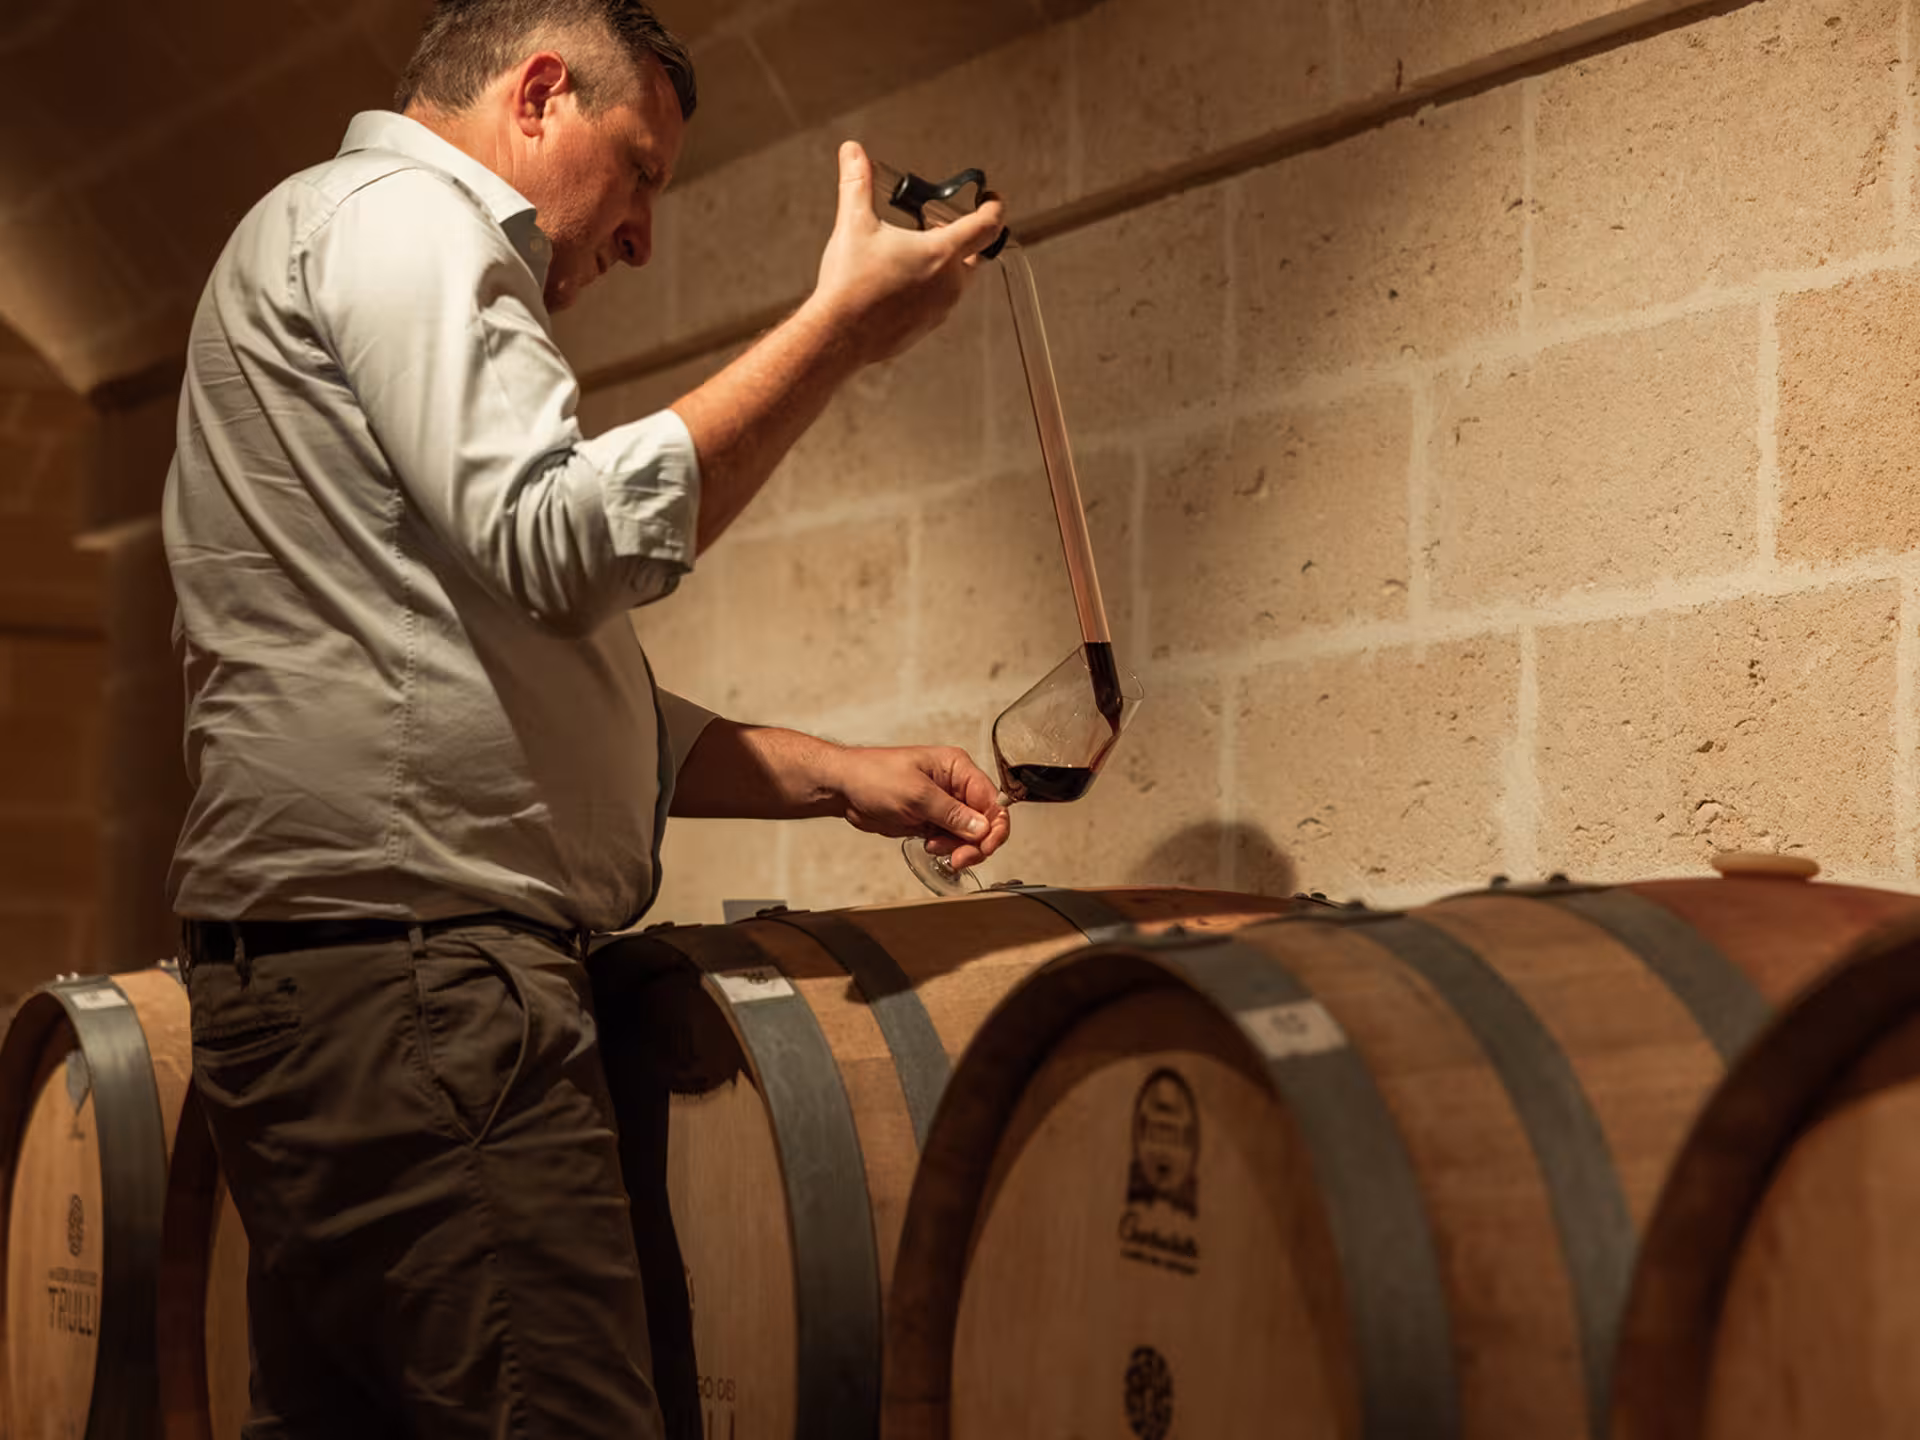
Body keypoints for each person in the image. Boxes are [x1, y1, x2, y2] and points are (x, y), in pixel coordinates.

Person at [161, 1, 1011, 1434]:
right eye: (643, 172)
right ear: (540, 93)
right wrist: (835, 337)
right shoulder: (409, 221)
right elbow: (561, 538)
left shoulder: (337, 235)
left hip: (339, 986)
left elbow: (522, 698)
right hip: (420, 986)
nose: (641, 238)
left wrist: (837, 776)